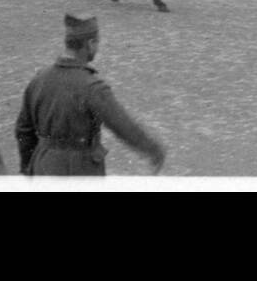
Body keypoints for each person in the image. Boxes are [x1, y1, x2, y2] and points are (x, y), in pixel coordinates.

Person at [15, 13, 165, 176]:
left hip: (42, 167)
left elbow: (23, 130)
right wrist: (153, 149)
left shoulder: (39, 79)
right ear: (90, 43)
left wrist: (28, 167)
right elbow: (122, 125)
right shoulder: (93, 87)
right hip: (80, 169)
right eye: (97, 42)